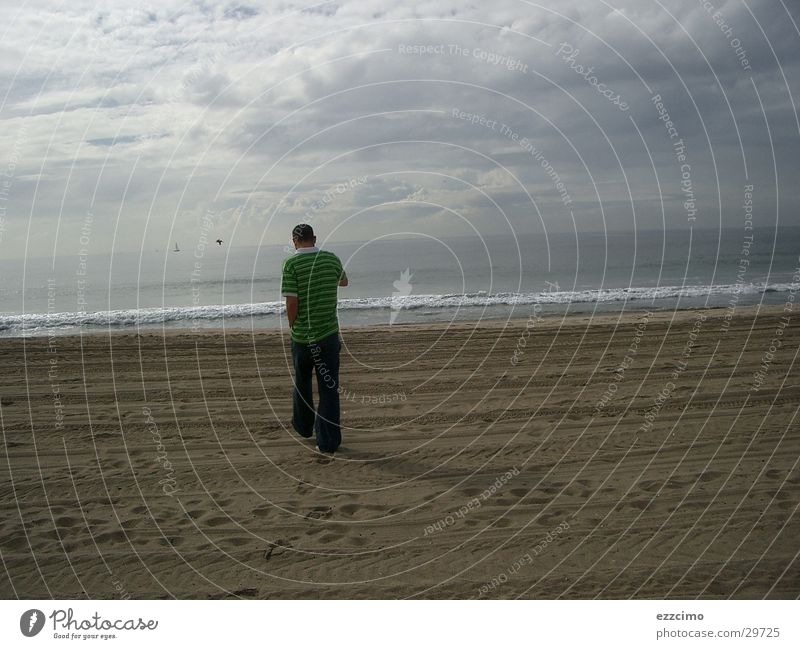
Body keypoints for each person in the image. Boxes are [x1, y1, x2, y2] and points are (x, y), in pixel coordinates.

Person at [281, 224, 348, 454]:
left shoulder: (291, 264)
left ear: (294, 240)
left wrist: (292, 324)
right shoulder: (331, 259)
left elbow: (291, 302)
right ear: (315, 238)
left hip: (302, 337)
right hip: (328, 335)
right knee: (329, 388)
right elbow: (344, 281)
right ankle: (327, 442)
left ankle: (303, 427)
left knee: (302, 383)